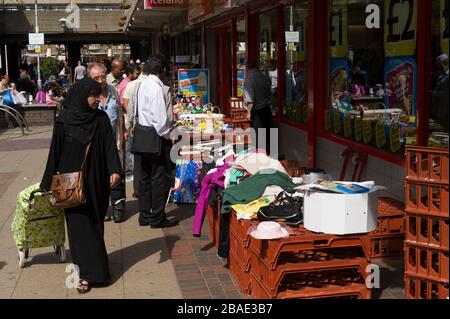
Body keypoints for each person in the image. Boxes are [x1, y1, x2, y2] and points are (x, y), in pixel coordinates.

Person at [40, 77, 123, 294]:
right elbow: (54, 152)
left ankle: (98, 271)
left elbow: (109, 146)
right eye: (93, 95)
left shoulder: (101, 119)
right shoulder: (64, 120)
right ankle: (83, 275)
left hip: (96, 180)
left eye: (98, 95)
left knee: (95, 224)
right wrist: (47, 181)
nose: (97, 99)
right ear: (81, 95)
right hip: (70, 183)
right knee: (77, 229)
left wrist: (114, 169)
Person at [135, 55, 178, 228]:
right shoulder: (156, 88)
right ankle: (157, 217)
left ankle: (144, 215)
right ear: (162, 70)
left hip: (143, 134)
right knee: (159, 179)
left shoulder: (143, 84)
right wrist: (168, 135)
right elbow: (160, 120)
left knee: (144, 177)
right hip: (155, 136)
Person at [88, 62, 127, 223]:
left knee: (117, 173)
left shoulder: (114, 91)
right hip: (95, 143)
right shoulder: (87, 94)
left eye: (102, 77)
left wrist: (124, 130)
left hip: (114, 140)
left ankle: (118, 205)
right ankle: (102, 207)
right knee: (99, 176)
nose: (100, 81)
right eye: (96, 78)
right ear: (90, 78)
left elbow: (120, 113)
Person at [123, 63, 149, 190]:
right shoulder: (156, 86)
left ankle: (138, 187)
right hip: (150, 127)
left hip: (136, 125)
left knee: (136, 154)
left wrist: (132, 122)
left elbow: (127, 106)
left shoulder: (131, 85)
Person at [243, 60, 273, 154]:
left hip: (257, 112)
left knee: (258, 140)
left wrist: (248, 113)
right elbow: (269, 92)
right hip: (267, 110)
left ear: (247, 68)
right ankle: (267, 157)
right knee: (266, 137)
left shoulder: (249, 79)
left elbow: (250, 100)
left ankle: (260, 159)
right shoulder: (264, 76)